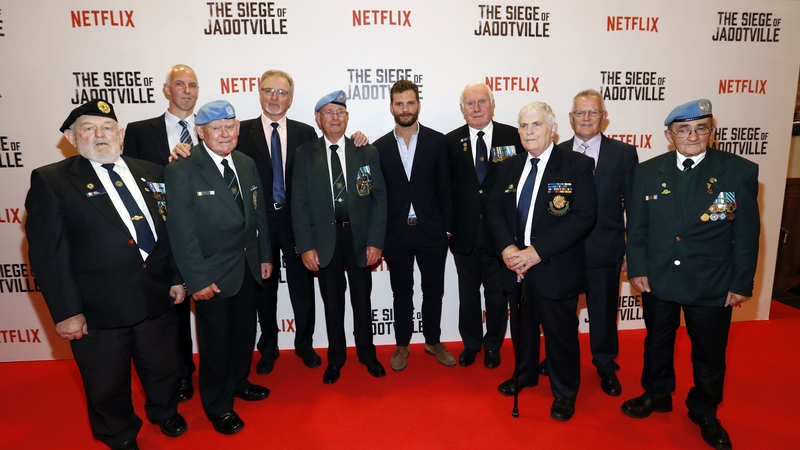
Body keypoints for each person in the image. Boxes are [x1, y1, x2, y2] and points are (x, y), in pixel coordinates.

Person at [25, 100, 187, 450]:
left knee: (162, 366)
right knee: (106, 380)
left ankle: (165, 410)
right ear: (71, 137)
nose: (100, 135)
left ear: (121, 135)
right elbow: (47, 254)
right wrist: (67, 311)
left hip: (154, 296)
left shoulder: (152, 171)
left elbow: (168, 232)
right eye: (88, 128)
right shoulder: (52, 180)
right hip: (98, 308)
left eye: (108, 127)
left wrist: (175, 277)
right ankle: (119, 432)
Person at [623, 99, 759, 450]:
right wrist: (637, 268)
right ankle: (657, 393)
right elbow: (636, 228)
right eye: (683, 129)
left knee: (710, 353)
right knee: (656, 344)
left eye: (701, 128)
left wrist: (741, 282)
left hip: (712, 281)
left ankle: (704, 410)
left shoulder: (739, 170)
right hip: (659, 278)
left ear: (712, 132)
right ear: (669, 135)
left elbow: (746, 234)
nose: (693, 135)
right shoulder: (647, 171)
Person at [164, 100, 273, 435]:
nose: (225, 134)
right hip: (210, 275)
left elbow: (258, 215)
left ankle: (239, 381)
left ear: (238, 129)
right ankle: (218, 405)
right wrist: (196, 279)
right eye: (216, 128)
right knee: (215, 344)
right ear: (200, 132)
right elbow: (181, 234)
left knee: (243, 336)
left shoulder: (245, 162)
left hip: (247, 267)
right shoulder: (182, 169)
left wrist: (265, 255)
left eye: (231, 126)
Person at [487, 101, 596, 422]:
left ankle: (564, 392)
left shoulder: (576, 165)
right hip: (515, 266)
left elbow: (583, 217)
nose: (529, 131)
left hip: (553, 266)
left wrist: (535, 252)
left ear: (552, 128)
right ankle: (525, 374)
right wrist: (507, 248)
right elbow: (493, 210)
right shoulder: (508, 166)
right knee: (521, 329)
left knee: (560, 333)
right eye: (523, 126)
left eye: (536, 125)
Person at [539, 89, 638, 396]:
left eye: (592, 112)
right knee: (560, 313)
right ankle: (557, 357)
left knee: (603, 311)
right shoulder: (555, 154)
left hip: (604, 248)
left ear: (603, 117)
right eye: (580, 113)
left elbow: (634, 206)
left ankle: (606, 365)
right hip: (563, 252)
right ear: (570, 118)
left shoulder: (623, 154)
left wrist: (631, 250)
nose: (586, 118)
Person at [292, 90, 388, 384]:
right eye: (329, 113)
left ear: (348, 118)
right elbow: (299, 203)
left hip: (359, 240)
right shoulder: (305, 154)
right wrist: (306, 246)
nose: (336, 118)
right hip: (325, 241)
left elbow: (378, 199)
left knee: (362, 301)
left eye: (341, 113)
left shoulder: (366, 151)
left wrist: (375, 241)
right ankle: (336, 359)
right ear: (318, 119)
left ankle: (368, 355)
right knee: (332, 304)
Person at [235, 70, 321, 374]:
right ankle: (268, 348)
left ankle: (304, 344)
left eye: (282, 92)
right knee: (264, 289)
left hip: (296, 223)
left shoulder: (305, 133)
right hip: (258, 224)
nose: (275, 98)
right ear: (258, 93)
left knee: (302, 287)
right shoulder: (239, 132)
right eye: (269, 91)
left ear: (291, 98)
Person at [123, 64, 200, 401]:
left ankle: (216, 372)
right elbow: (130, 183)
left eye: (193, 85)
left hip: (206, 236)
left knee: (212, 310)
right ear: (166, 89)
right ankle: (181, 375)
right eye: (179, 84)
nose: (186, 90)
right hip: (162, 238)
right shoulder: (140, 130)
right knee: (175, 312)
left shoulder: (211, 128)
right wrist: (168, 168)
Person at [373, 80, 454, 371]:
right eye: (399, 103)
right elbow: (376, 196)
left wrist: (446, 230)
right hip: (396, 233)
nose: (405, 109)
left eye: (410, 103)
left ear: (418, 104)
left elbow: (446, 188)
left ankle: (433, 341)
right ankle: (403, 345)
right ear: (391, 107)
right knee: (401, 291)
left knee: (433, 290)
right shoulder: (379, 147)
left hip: (432, 232)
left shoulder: (438, 141)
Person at [446, 82, 522, 369]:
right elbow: (446, 189)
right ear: (462, 109)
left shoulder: (512, 136)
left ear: (492, 105)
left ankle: (492, 346)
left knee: (496, 295)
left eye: (482, 102)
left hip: (500, 236)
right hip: (464, 235)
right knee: (467, 295)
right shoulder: (451, 141)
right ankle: (471, 344)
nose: (476, 109)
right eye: (470, 104)